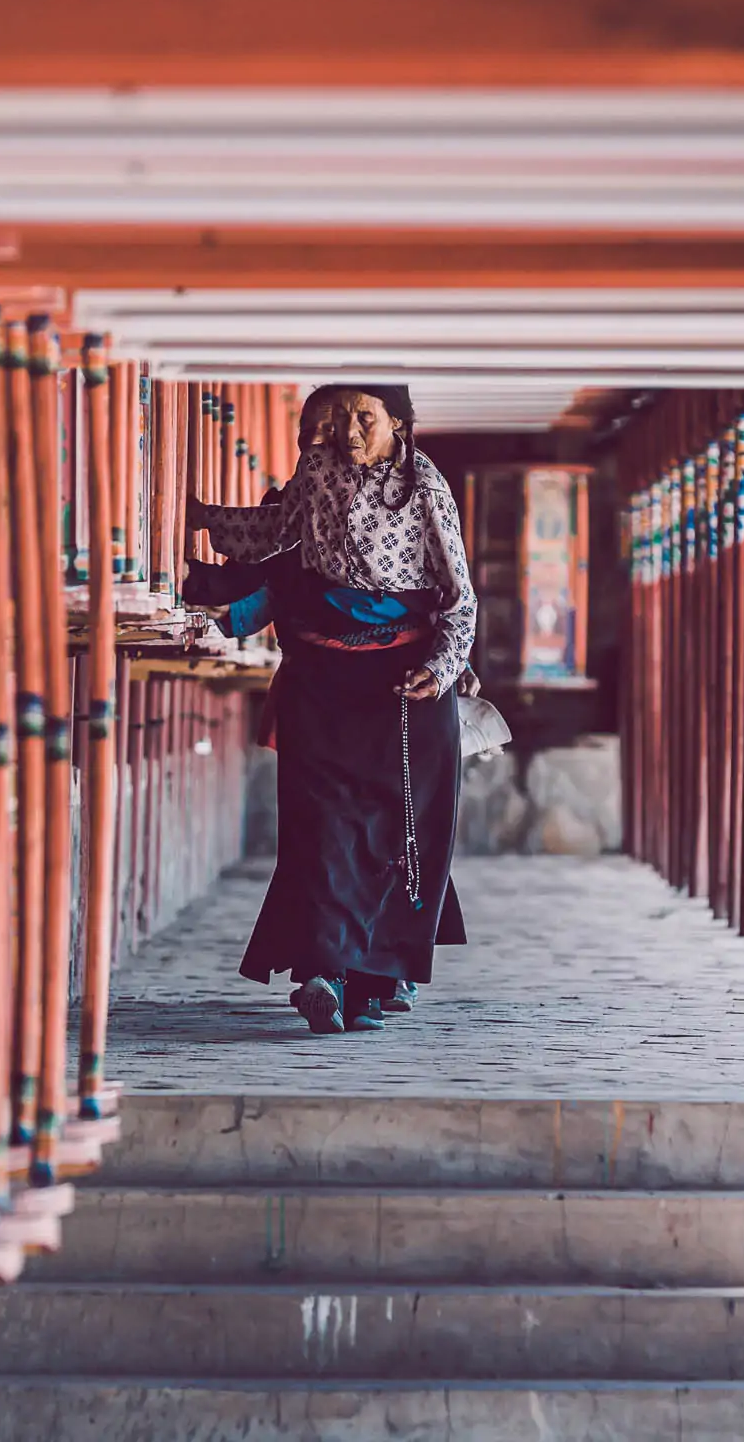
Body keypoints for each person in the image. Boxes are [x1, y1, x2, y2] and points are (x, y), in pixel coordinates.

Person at [186, 385, 475, 1033]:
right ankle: (325, 972)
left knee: (393, 830)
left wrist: (441, 667)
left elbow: (461, 597)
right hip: (322, 679)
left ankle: (374, 979)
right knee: (321, 826)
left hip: (404, 684)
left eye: (363, 419)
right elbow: (275, 530)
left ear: (398, 423)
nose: (347, 432)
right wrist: (202, 517)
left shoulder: (426, 487)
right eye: (337, 418)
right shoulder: (316, 472)